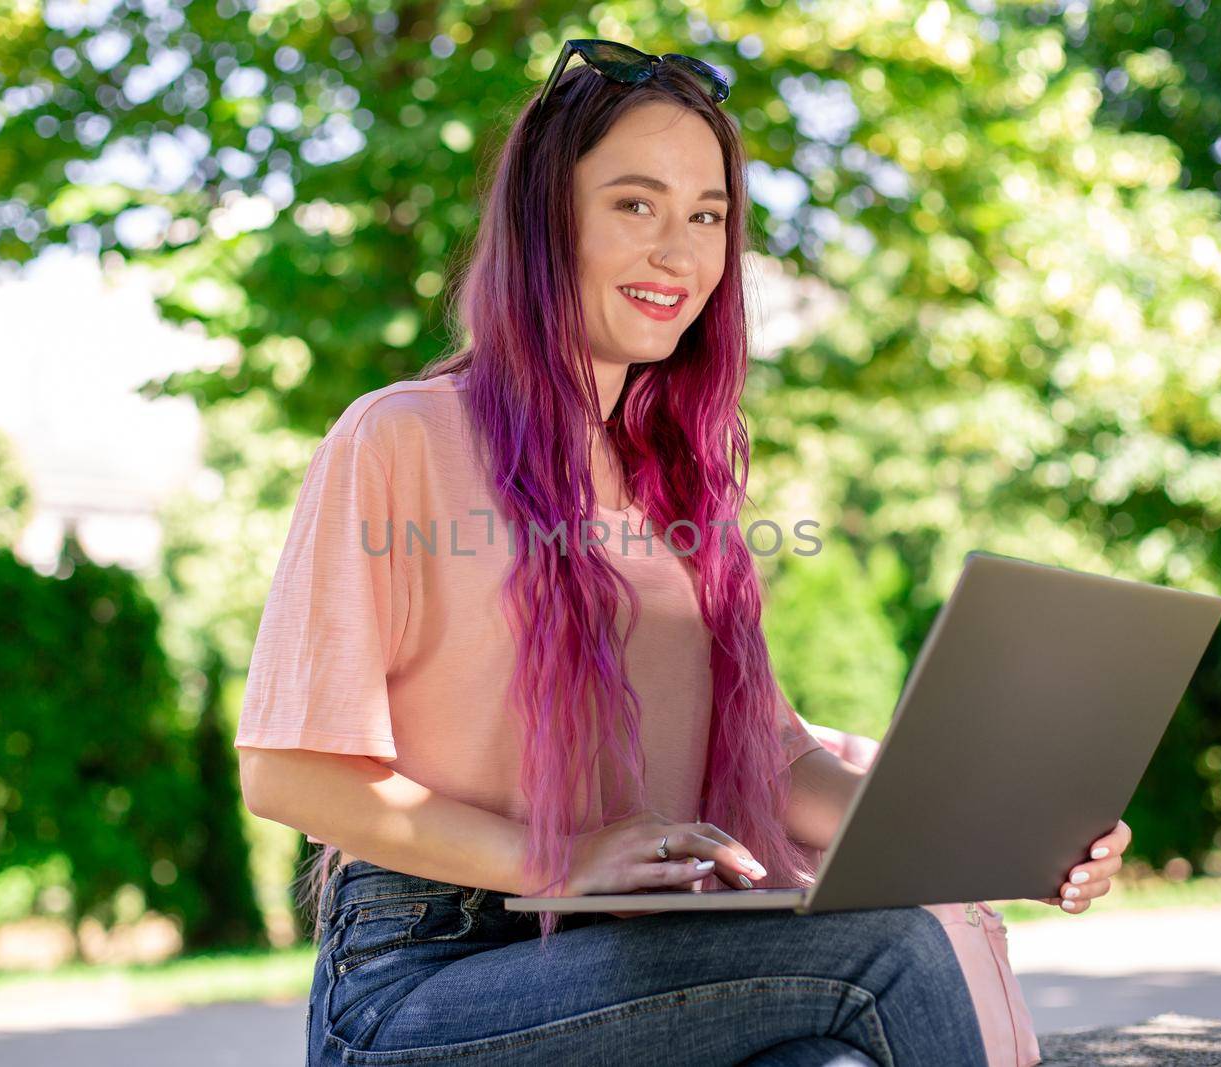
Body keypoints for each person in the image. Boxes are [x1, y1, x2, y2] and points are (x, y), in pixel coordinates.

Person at [235, 39, 1131, 1067]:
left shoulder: (677, 485)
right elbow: (289, 773)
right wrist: (563, 853)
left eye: (708, 215)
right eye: (635, 204)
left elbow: (777, 759)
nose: (680, 251)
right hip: (420, 979)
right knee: (885, 950)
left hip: (626, 954)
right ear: (544, 222)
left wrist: (1007, 832)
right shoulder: (398, 437)